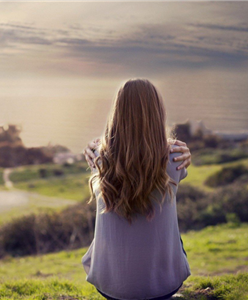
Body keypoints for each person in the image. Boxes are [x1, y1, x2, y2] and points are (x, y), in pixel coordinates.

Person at [81, 79, 192, 300]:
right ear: (157, 113)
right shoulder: (174, 157)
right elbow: (173, 161)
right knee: (173, 236)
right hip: (163, 287)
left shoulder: (99, 158)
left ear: (117, 114)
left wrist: (95, 147)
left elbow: (111, 149)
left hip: (110, 287)